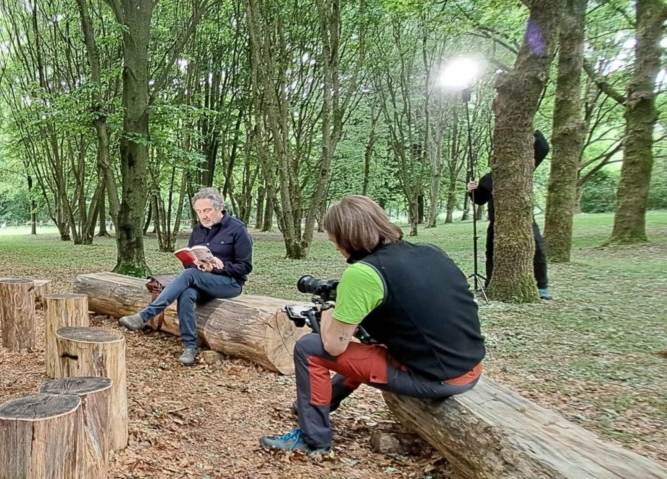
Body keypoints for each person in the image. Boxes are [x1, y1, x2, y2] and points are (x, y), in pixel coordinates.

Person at [260, 196, 485, 456]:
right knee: (364, 343)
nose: (336, 248)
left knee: (309, 348)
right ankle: (323, 402)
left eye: (334, 241)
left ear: (347, 238)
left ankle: (314, 440)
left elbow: (333, 346)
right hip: (469, 364)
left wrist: (330, 308)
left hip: (437, 377)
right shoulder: (430, 252)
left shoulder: (364, 273)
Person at [118, 188, 253, 366]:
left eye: (207, 210)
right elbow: (190, 263)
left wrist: (216, 268)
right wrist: (196, 264)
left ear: (219, 208)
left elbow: (245, 267)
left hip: (230, 283)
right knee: (187, 293)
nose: (203, 216)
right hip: (200, 280)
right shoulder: (198, 230)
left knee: (190, 275)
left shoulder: (237, 229)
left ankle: (145, 315)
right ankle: (190, 346)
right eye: (198, 211)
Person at [467, 129, 552, 298]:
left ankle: (542, 286)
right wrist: (472, 191)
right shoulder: (488, 178)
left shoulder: (520, 168)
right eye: (493, 155)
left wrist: (528, 132)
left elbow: (543, 147)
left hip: (524, 220)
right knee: (492, 253)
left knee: (538, 250)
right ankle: (491, 283)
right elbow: (480, 199)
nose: (495, 157)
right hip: (496, 222)